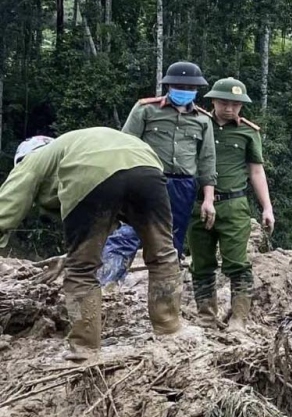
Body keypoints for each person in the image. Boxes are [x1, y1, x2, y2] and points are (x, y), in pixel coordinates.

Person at [0, 130, 182, 354]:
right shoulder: (74, 145)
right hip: (148, 166)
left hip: (92, 173)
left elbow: (5, 209)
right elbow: (106, 223)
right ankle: (170, 334)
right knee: (163, 255)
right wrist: (69, 256)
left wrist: (76, 259)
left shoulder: (33, 160)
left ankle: (85, 349)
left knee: (81, 272)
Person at [99, 61, 217, 285]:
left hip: (183, 186)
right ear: (169, 86)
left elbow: (207, 161)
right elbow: (124, 146)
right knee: (129, 233)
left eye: (189, 87)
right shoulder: (146, 109)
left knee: (170, 244)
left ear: (196, 90)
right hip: (147, 180)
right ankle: (105, 285)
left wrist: (208, 199)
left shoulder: (203, 121)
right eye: (179, 86)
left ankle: (164, 297)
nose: (184, 91)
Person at [189, 77, 275, 330]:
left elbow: (256, 172)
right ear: (213, 100)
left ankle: (239, 317)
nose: (230, 108)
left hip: (234, 204)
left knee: (238, 263)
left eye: (236, 104)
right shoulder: (198, 124)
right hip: (197, 205)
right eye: (224, 102)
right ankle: (206, 316)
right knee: (201, 263)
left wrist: (267, 207)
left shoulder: (249, 132)